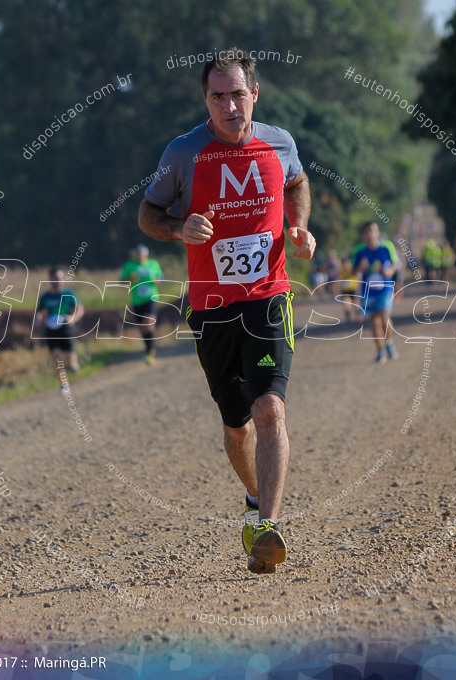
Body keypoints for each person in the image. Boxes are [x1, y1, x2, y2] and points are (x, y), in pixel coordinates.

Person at [137, 47, 316, 573]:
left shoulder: (279, 142)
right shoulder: (184, 152)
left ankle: (268, 528)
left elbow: (298, 182)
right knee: (237, 426)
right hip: (211, 307)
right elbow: (148, 213)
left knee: (270, 411)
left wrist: (298, 227)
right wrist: (177, 228)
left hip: (269, 297)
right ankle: (255, 498)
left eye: (238, 94)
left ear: (254, 94)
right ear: (206, 100)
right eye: (218, 97)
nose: (230, 106)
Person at [353, 221, 397, 363]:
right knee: (375, 323)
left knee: (385, 318)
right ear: (364, 235)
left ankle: (389, 343)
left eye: (373, 231)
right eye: (367, 232)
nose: (371, 234)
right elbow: (353, 272)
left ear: (377, 232)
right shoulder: (360, 251)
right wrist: (360, 266)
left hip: (385, 288)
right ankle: (380, 351)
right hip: (369, 292)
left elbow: (395, 263)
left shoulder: (386, 247)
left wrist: (390, 270)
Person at [35, 266, 84, 393]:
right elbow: (39, 312)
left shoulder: (69, 294)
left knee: (69, 358)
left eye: (60, 278)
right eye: (54, 279)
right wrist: (39, 319)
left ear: (63, 279)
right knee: (55, 355)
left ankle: (73, 365)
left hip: (66, 327)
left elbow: (80, 309)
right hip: (51, 329)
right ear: (50, 280)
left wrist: (73, 318)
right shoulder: (45, 297)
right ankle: (64, 384)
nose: (57, 281)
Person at [120, 244, 165, 365]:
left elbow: (161, 276)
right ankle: (148, 349)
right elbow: (121, 282)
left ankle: (152, 350)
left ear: (146, 254)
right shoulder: (130, 265)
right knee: (143, 328)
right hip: (137, 301)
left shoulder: (153, 264)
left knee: (149, 323)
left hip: (151, 298)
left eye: (141, 254)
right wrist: (130, 278)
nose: (139, 256)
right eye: (137, 254)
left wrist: (159, 280)